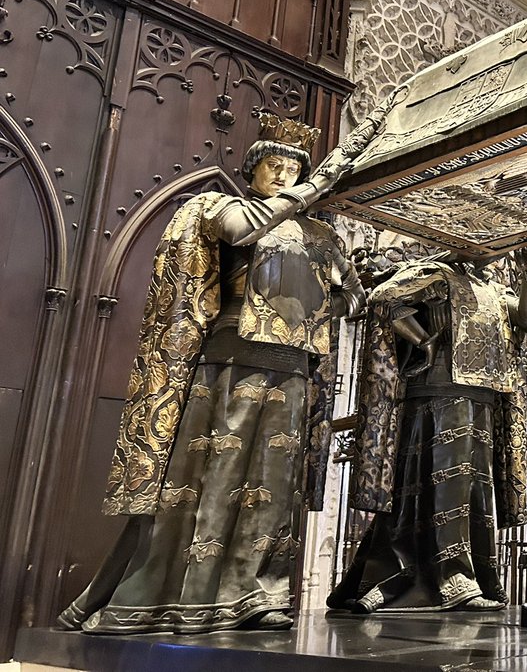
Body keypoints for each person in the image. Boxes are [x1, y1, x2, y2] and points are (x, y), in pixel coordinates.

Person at [58, 113, 363, 634]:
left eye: (295, 168)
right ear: (253, 171)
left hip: (292, 365)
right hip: (230, 358)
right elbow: (243, 230)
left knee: (273, 487)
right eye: (275, 165)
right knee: (210, 479)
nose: (286, 175)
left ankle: (255, 593)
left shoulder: (321, 234)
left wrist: (348, 287)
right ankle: (174, 596)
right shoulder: (222, 205)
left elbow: (351, 297)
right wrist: (315, 188)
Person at [327, 246, 527, 613]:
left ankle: (470, 576)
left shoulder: (493, 289)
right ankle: (452, 580)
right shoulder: (431, 273)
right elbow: (383, 299)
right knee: (446, 485)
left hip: (484, 396)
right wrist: (424, 340)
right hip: (438, 390)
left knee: (473, 489)